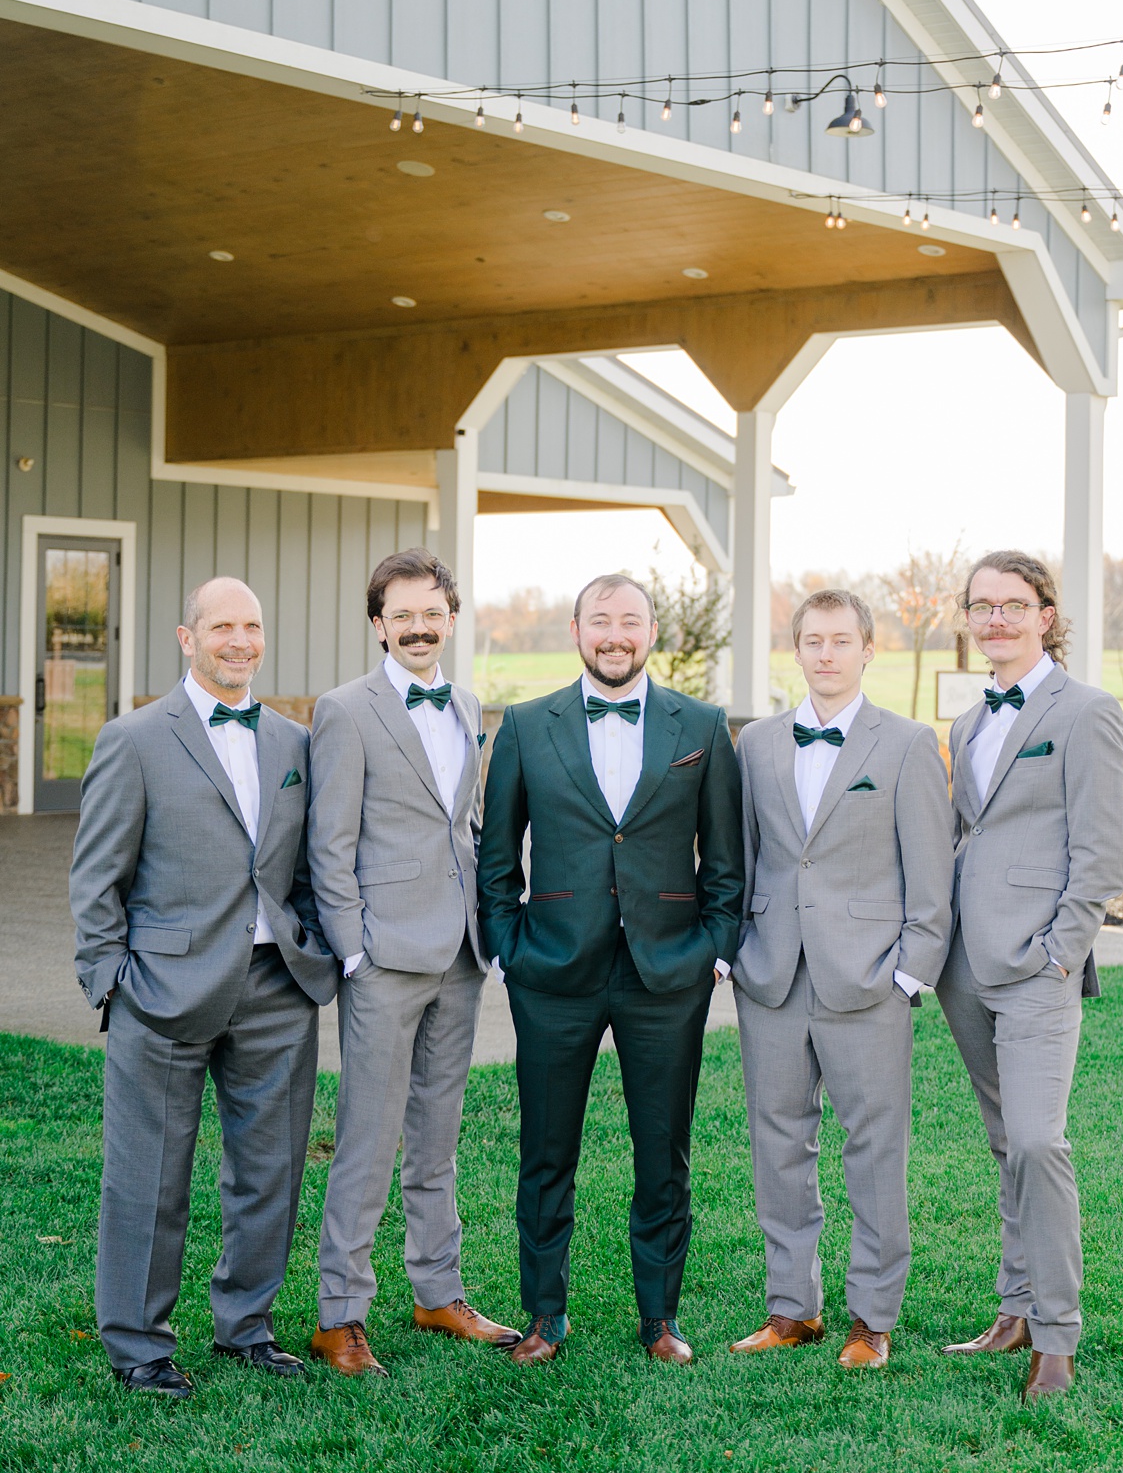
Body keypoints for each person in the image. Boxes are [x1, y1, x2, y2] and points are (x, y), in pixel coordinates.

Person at [69, 577, 340, 1397]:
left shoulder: (294, 743)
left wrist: (308, 947)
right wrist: (110, 981)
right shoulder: (135, 738)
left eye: (252, 626)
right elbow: (96, 878)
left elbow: (301, 867)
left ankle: (246, 1326)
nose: (239, 640)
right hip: (162, 987)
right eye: (222, 625)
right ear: (187, 638)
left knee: (271, 1169)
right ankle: (138, 1344)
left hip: (275, 989)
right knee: (148, 1174)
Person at [475, 573, 743, 1366]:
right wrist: (508, 945)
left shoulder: (702, 726)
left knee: (664, 1152)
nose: (615, 635)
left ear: (651, 631)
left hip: (668, 973)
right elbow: (497, 855)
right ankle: (544, 1316)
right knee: (546, 1150)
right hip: (553, 969)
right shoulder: (525, 725)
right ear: (575, 630)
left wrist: (715, 948)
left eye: (630, 621)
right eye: (601, 621)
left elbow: (725, 859)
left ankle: (660, 1318)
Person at [306, 548, 520, 1376]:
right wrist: (355, 951)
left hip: (460, 953)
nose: (420, 627)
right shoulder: (345, 709)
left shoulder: (466, 701)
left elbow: (460, 822)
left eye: (433, 613)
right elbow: (331, 845)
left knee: (438, 1134)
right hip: (384, 957)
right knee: (368, 1134)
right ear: (378, 625)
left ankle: (438, 1292)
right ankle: (340, 1315)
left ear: (451, 618)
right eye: (403, 616)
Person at [726, 587, 952, 1370]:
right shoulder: (755, 743)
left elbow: (931, 875)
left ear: (866, 651)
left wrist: (909, 975)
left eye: (840, 641)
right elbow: (743, 855)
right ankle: (793, 1308)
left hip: (869, 982)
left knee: (873, 1147)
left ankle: (871, 1318)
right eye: (812, 641)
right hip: (773, 976)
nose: (826, 654)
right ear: (796, 650)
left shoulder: (906, 744)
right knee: (779, 1142)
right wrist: (737, 951)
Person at [936, 550, 1123, 1400]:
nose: (996, 621)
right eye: (982, 607)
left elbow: (1103, 850)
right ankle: (1013, 1309)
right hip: (962, 966)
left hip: (1037, 966)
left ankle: (1056, 1335)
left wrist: (1063, 949)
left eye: (1014, 606)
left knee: (1040, 1141)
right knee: (1004, 1141)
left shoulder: (1086, 711)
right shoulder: (969, 720)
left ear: (1047, 615)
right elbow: (964, 833)